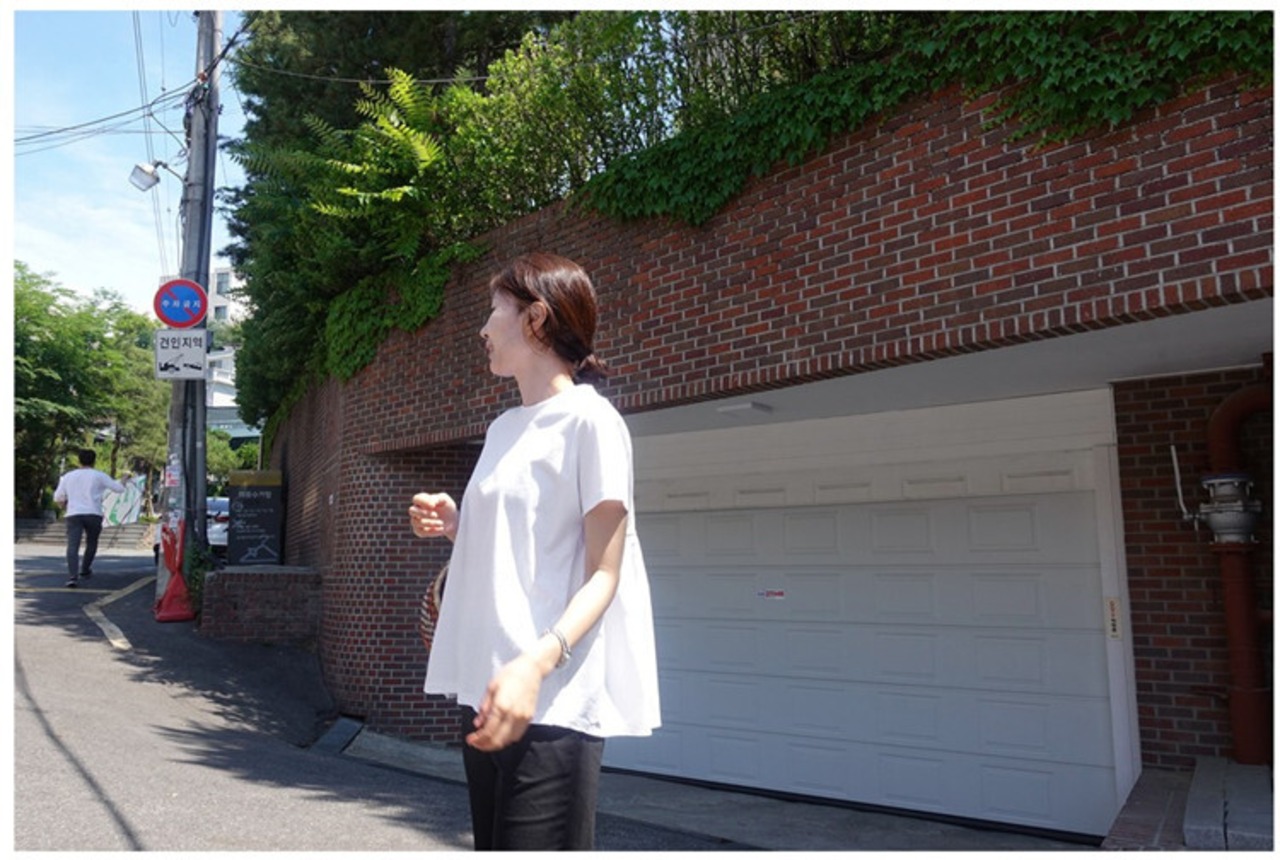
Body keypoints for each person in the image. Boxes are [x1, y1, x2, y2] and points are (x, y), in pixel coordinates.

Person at [409, 252, 660, 851]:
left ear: (536, 319)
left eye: (494, 311)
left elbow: (605, 573)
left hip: (552, 702)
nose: (483, 329)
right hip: (490, 691)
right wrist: (458, 525)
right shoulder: (503, 429)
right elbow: (528, 545)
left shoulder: (591, 422)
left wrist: (535, 664)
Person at [53, 449, 125, 588]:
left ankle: (72, 576)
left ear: (79, 460)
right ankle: (85, 570)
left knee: (72, 545)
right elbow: (119, 489)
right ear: (94, 461)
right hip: (94, 513)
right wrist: (124, 480)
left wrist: (65, 505)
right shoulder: (99, 475)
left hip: (74, 514)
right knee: (91, 543)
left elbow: (58, 497)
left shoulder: (68, 476)